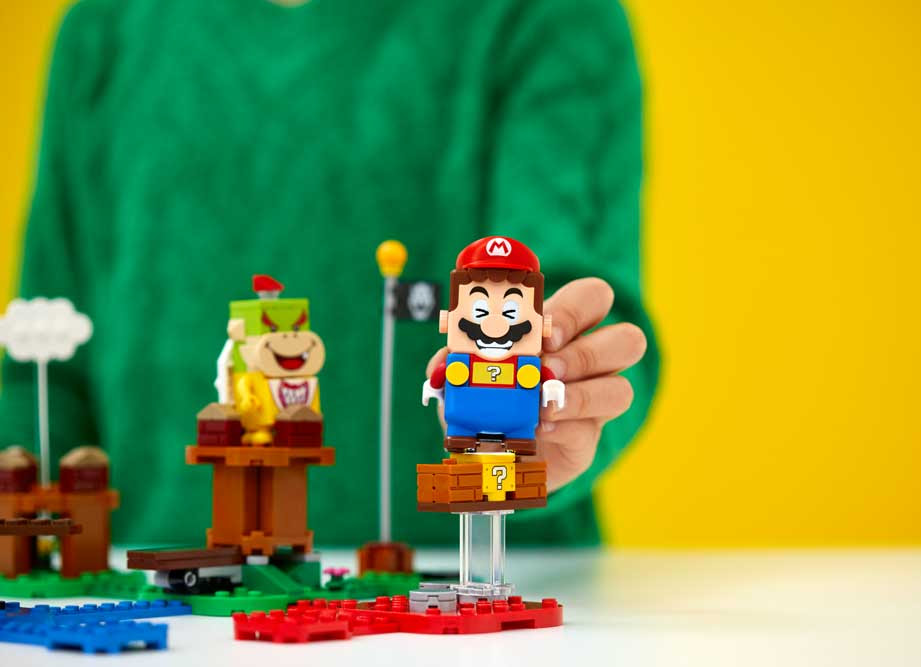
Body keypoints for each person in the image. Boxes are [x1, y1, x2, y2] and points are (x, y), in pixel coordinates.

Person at [0, 0, 658, 547]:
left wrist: (554, 406)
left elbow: (577, 304)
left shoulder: (548, 15)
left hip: (500, 585)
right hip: (160, 608)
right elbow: (44, 375)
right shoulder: (105, 27)